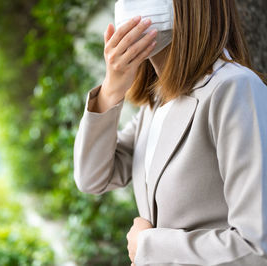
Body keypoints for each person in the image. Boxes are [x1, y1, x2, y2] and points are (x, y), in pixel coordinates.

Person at [73, 0, 267, 265]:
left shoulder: (233, 88)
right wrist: (110, 91)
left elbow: (257, 248)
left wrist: (148, 244)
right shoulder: (157, 103)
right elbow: (92, 178)